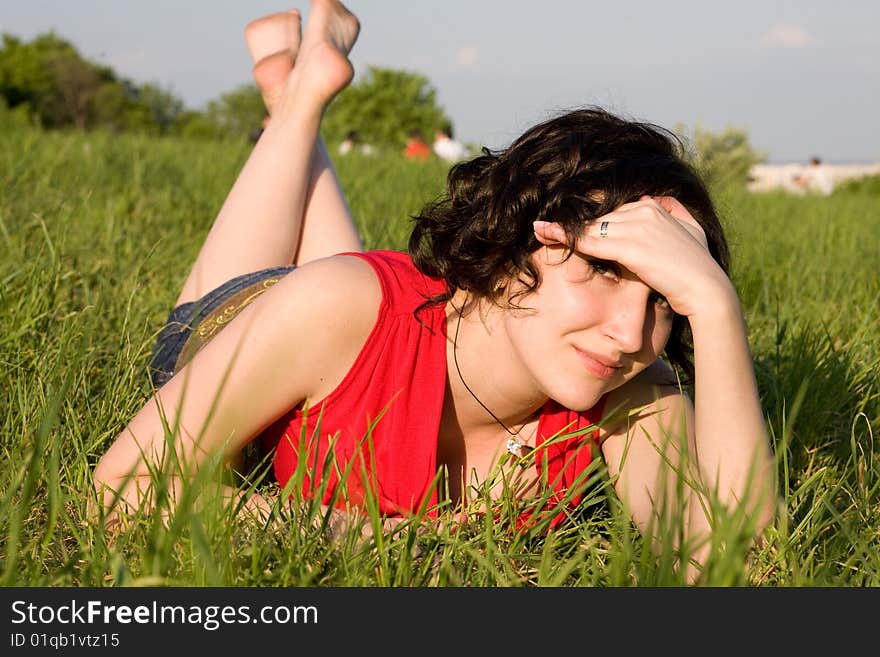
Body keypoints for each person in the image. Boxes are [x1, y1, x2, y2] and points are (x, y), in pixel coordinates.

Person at [92, 0, 775, 580]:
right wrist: (379, 541)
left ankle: (296, 86)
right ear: (516, 240)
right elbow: (120, 491)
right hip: (250, 320)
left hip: (364, 330)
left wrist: (715, 308)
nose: (630, 334)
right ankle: (296, 102)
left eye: (665, 298)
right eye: (603, 270)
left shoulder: (626, 387)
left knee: (358, 297)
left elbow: (728, 567)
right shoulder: (333, 305)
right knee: (340, 289)